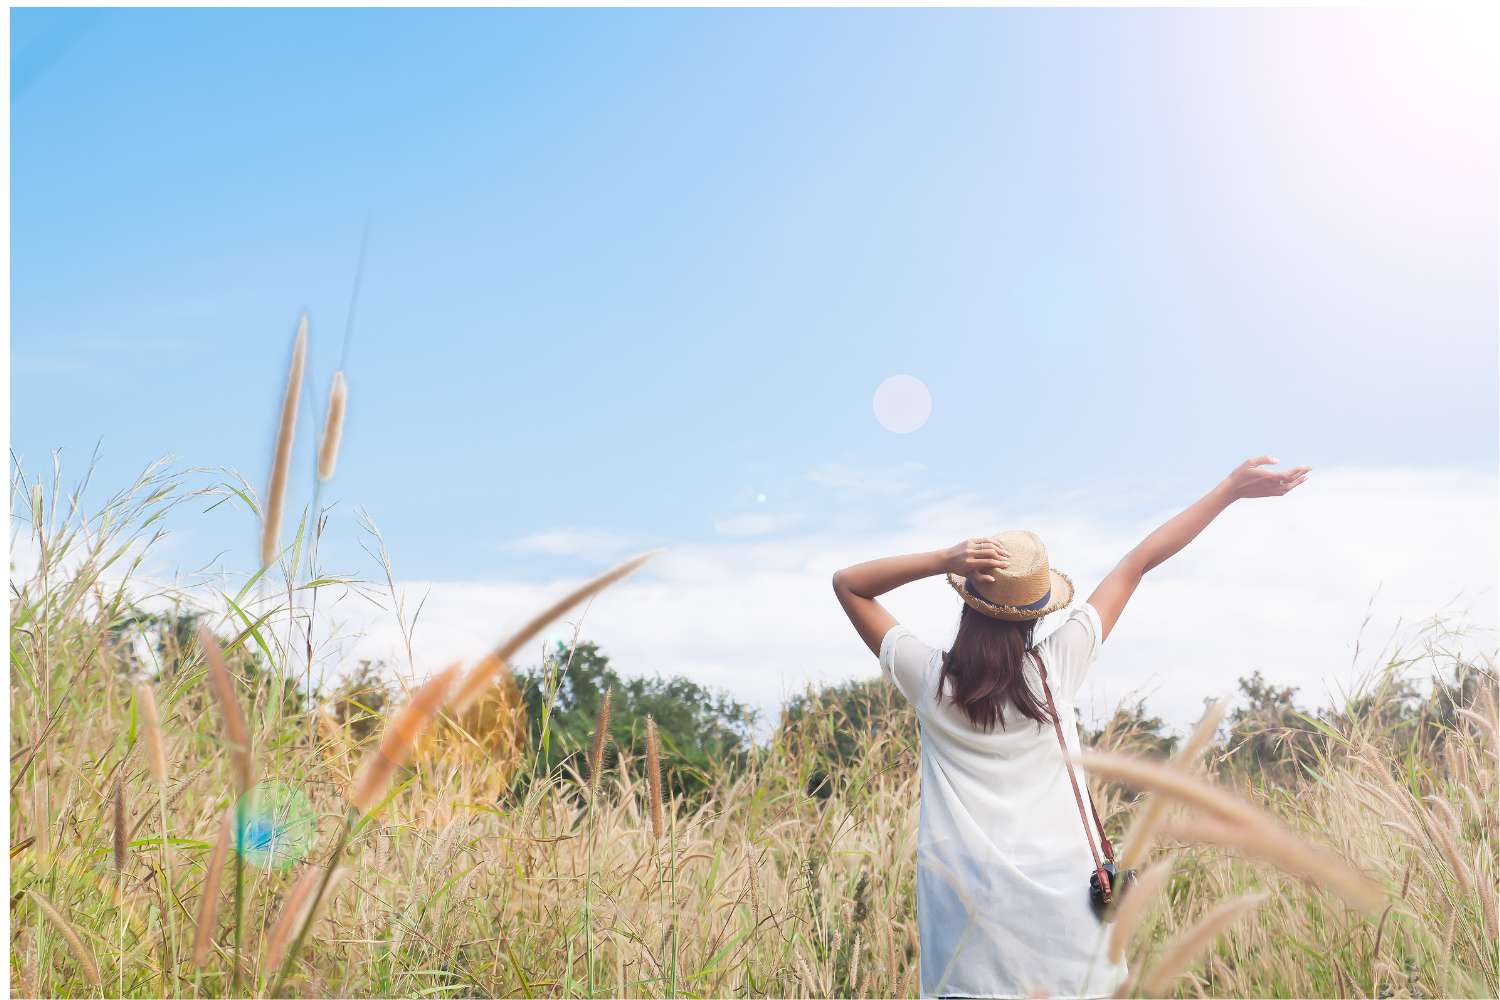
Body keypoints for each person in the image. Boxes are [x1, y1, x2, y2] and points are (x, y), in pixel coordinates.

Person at [831, 456, 1310, 998]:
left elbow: (849, 585)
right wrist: (1228, 489)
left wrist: (945, 557)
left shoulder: (930, 681)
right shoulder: (1056, 669)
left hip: (966, 941)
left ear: (967, 603)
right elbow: (1138, 562)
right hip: (1068, 938)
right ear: (1037, 615)